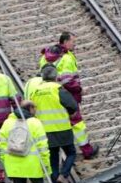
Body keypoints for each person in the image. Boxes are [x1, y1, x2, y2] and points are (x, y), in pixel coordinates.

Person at [39, 32, 99, 160]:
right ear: (65, 42)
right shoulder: (66, 58)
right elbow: (67, 81)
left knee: (57, 122)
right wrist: (79, 90)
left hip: (50, 94)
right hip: (67, 95)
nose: (74, 44)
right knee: (76, 122)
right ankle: (87, 150)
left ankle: (62, 152)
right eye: (72, 41)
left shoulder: (45, 57)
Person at [0, 100, 51, 183]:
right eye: (35, 108)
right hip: (33, 165)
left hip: (15, 166)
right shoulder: (35, 123)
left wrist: (6, 164)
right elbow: (43, 147)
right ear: (30, 109)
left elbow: (2, 147)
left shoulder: (7, 123)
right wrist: (46, 166)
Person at [27, 64, 78, 183]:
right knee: (71, 153)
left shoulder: (35, 91)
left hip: (45, 132)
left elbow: (31, 110)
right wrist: (71, 113)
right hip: (62, 129)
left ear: (43, 77)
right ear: (56, 77)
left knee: (53, 160)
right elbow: (72, 105)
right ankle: (64, 175)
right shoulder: (58, 89)